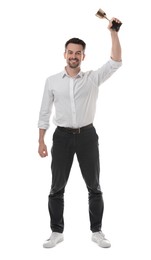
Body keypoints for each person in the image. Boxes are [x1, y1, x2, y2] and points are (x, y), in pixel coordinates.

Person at [38, 17, 122, 248]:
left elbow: (115, 62)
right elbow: (44, 112)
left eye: (78, 53)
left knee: (94, 186)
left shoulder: (93, 78)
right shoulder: (52, 81)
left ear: (83, 56)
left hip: (87, 136)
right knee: (57, 187)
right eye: (70, 52)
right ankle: (57, 232)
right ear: (64, 54)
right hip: (61, 137)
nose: (73, 56)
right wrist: (41, 140)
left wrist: (113, 33)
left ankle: (97, 231)